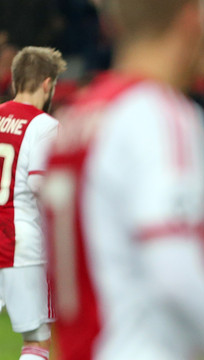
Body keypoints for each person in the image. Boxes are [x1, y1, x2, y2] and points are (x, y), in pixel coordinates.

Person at [40, 0, 204, 359]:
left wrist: (200, 251)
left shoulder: (74, 119)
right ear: (193, 18)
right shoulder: (159, 111)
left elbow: (105, 253)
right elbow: (175, 276)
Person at [0, 46, 65, 360]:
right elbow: (42, 187)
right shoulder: (44, 127)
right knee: (36, 341)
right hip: (22, 246)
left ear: (15, 82)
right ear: (47, 84)